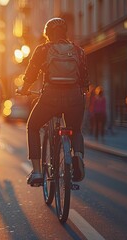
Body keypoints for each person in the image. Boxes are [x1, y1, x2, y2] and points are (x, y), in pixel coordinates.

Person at [16, 17, 89, 186]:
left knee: (33, 126)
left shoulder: (43, 49)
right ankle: (77, 156)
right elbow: (85, 79)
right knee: (76, 130)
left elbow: (31, 74)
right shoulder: (78, 50)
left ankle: (37, 172)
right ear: (65, 32)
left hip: (50, 98)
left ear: (47, 34)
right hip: (74, 97)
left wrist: (24, 89)